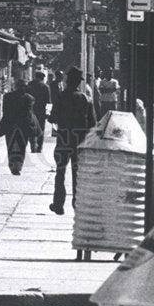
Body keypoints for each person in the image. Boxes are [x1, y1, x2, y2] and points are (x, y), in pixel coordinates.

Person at [48, 66, 96, 215]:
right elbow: (93, 123)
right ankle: (77, 203)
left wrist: (50, 118)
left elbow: (53, 117)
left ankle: (58, 204)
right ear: (78, 83)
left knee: (60, 172)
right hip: (80, 140)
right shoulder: (85, 99)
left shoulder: (61, 97)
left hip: (64, 138)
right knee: (78, 173)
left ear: (68, 80)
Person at [0, 88, 41, 175]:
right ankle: (18, 166)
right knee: (22, 146)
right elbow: (28, 112)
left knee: (10, 145)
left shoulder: (7, 96)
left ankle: (13, 165)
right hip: (24, 125)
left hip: (10, 124)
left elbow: (5, 110)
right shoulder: (29, 98)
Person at [26, 70, 52, 152]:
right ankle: (39, 147)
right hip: (41, 111)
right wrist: (48, 112)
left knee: (31, 127)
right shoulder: (45, 87)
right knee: (40, 128)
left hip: (30, 110)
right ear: (42, 78)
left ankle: (33, 145)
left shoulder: (29, 85)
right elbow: (48, 101)